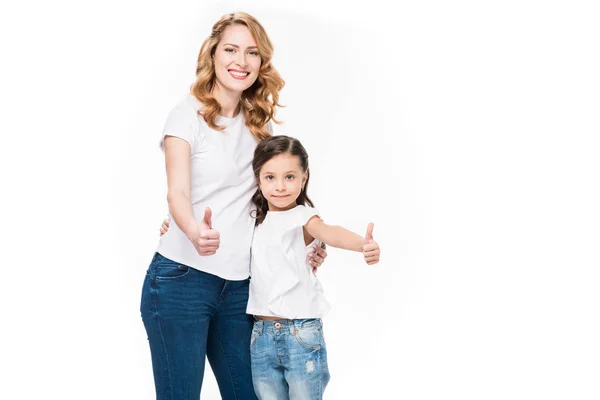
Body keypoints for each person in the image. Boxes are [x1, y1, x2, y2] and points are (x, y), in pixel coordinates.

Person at [140, 12, 327, 400]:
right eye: (231, 49)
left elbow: (274, 200)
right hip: (181, 279)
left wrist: (306, 241)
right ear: (213, 54)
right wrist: (192, 228)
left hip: (241, 287)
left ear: (262, 63)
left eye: (252, 53)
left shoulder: (260, 125)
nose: (241, 61)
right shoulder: (185, 115)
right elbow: (177, 193)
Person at [162, 135, 381, 399]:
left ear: (304, 178)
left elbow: (329, 231)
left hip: (301, 333)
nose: (280, 187)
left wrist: (362, 245)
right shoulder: (254, 221)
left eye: (290, 177)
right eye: (270, 177)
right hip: (261, 336)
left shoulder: (303, 217)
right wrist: (177, 226)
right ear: (258, 179)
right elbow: (214, 226)